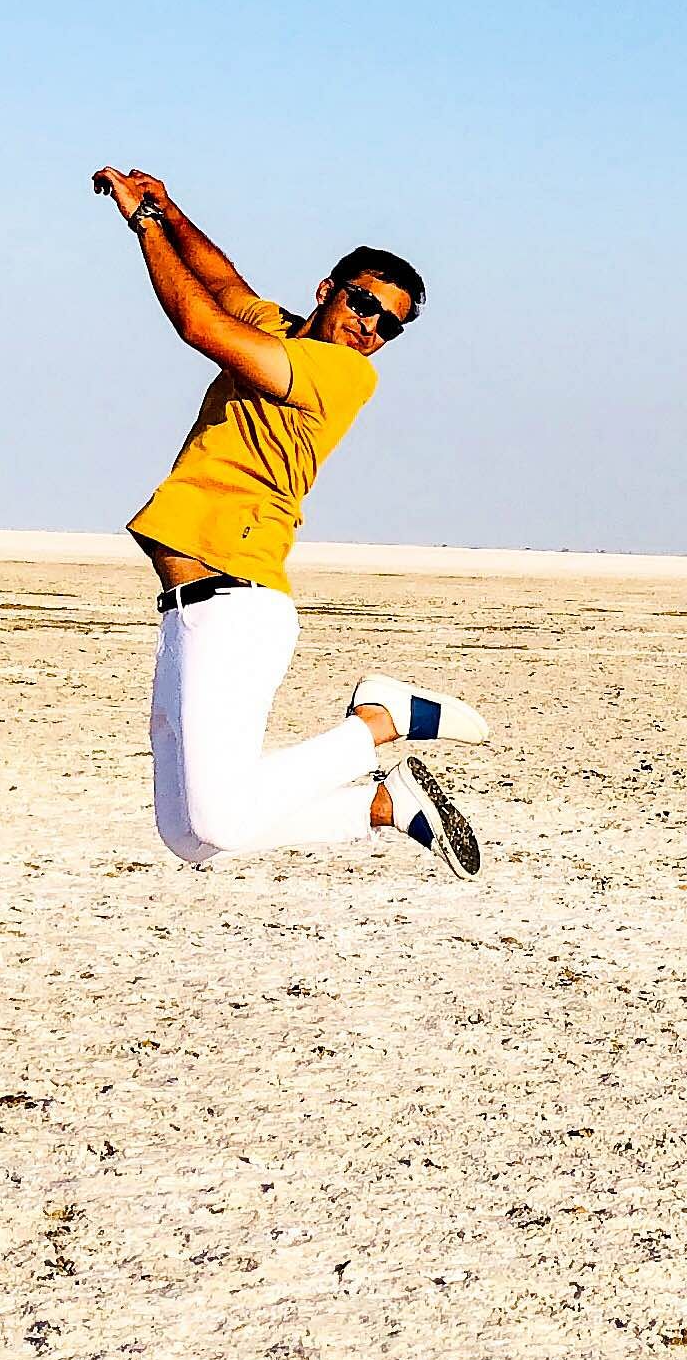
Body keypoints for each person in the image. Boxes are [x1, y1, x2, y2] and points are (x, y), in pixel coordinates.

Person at [92, 167, 486, 877]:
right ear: (326, 290)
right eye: (364, 303)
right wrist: (171, 212)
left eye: (388, 324)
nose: (370, 327)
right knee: (191, 837)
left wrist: (141, 226)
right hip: (187, 608)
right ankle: (381, 807)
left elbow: (199, 324)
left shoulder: (339, 375)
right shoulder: (284, 334)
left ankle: (381, 722)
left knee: (221, 816)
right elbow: (225, 287)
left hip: (236, 599)